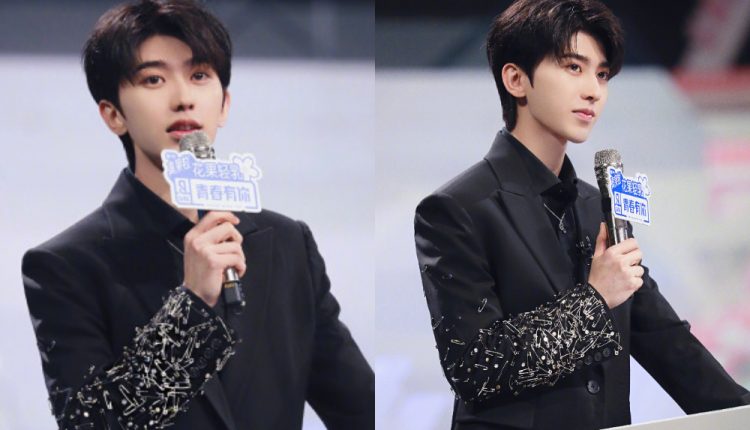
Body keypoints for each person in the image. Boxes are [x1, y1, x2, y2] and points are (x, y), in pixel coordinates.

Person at [22, 1, 374, 429]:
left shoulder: (286, 244)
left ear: (224, 104)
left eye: (200, 76)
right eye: (153, 79)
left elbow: (360, 407)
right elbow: (90, 423)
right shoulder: (64, 266)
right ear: (113, 114)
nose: (183, 98)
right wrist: (190, 306)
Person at [413, 1, 749, 429]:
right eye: (574, 67)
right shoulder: (456, 209)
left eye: (602, 74)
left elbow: (668, 344)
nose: (593, 90)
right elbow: (476, 368)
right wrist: (594, 299)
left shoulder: (598, 208)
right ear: (516, 79)